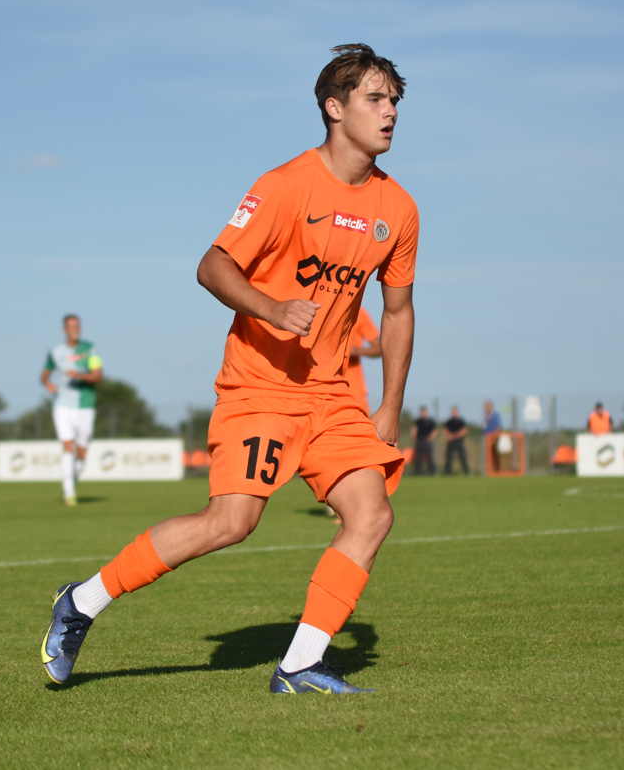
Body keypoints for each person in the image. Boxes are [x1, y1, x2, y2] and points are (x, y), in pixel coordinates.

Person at [41, 44, 417, 696]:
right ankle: (82, 602)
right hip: (259, 387)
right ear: (335, 108)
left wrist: (389, 405)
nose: (390, 113)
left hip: (331, 395)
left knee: (371, 515)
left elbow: (399, 310)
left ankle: (299, 665)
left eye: (394, 101)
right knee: (230, 522)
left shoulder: (399, 208)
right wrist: (272, 307)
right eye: (375, 99)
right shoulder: (285, 185)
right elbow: (212, 265)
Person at [40, 314, 103, 506]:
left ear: (80, 328)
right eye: (70, 326)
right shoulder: (55, 352)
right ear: (64, 330)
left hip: (85, 405)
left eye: (77, 326)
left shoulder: (90, 349)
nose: (74, 329)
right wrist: (47, 383)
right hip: (62, 405)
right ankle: (69, 492)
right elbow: (45, 373)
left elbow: (98, 376)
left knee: (81, 451)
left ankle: (72, 480)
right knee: (68, 445)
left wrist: (80, 375)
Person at [346, 307, 381, 414]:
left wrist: (357, 350)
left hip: (352, 388)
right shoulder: (318, 308)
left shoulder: (359, 313)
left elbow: (380, 348)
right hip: (318, 385)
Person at [442, 406, 469, 474]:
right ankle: (447, 472)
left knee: (462, 457)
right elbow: (445, 429)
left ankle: (466, 472)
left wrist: (455, 435)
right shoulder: (449, 421)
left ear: (457, 412)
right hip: (451, 441)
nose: (454, 413)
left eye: (455, 411)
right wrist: (448, 435)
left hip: (459, 441)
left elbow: (464, 430)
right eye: (453, 412)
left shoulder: (461, 421)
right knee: (449, 457)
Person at [411, 406, 437, 475]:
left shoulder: (430, 421)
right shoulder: (418, 422)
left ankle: (432, 472)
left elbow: (434, 431)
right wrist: (415, 438)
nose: (423, 414)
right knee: (418, 457)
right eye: (421, 412)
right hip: (419, 440)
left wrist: (430, 438)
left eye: (424, 412)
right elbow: (414, 430)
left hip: (427, 441)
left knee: (429, 456)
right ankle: (418, 472)